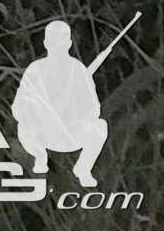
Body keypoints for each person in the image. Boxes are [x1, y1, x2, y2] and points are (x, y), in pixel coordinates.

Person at [13, 21, 106, 190]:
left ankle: (83, 169)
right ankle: (40, 158)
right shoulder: (35, 70)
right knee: (24, 127)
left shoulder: (78, 70)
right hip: (41, 134)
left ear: (69, 43)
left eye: (61, 42)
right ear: (46, 43)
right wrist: (37, 107)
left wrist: (74, 108)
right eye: (53, 41)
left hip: (70, 132)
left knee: (100, 126)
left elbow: (94, 109)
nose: (57, 47)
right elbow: (18, 109)